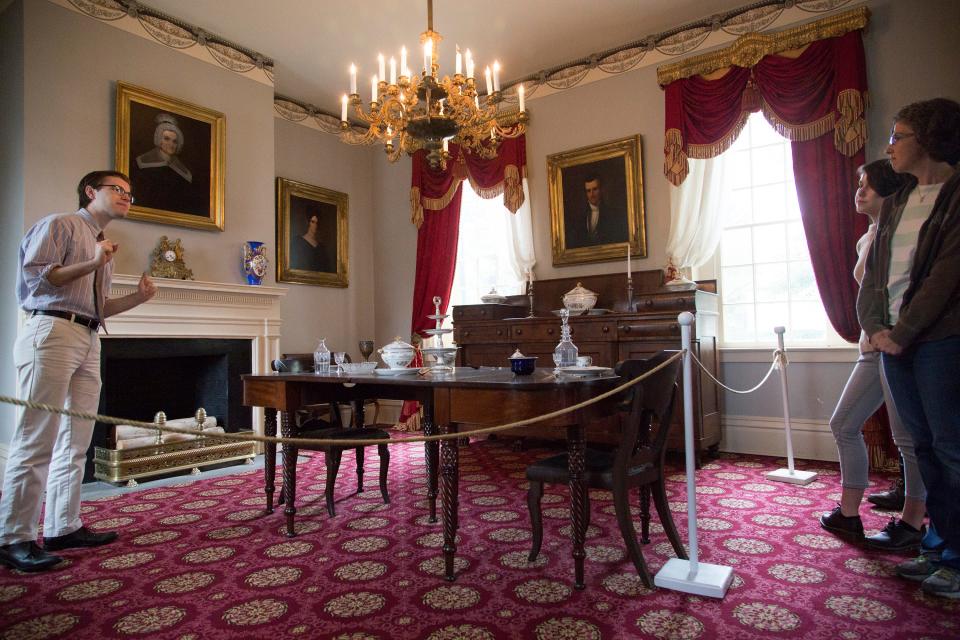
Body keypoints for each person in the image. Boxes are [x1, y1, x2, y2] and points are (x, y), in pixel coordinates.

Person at [0, 171, 158, 572]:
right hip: (51, 329)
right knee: (35, 438)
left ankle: (63, 526)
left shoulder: (102, 246)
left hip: (89, 336)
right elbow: (39, 277)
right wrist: (92, 260)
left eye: (129, 194)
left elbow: (100, 306)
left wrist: (138, 298)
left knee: (75, 440)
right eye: (117, 190)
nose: (126, 197)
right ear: (91, 192)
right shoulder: (61, 225)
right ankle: (13, 537)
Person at [858, 97, 960, 599]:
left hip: (938, 340)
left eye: (898, 136)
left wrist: (902, 333)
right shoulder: (899, 200)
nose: (890, 145)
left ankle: (957, 559)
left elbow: (946, 277)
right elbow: (876, 274)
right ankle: (938, 546)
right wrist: (875, 326)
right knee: (923, 449)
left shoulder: (956, 194)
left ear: (929, 138)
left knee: (951, 449)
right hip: (891, 341)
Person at [819, 159, 927, 552]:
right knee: (843, 423)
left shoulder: (908, 232)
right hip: (870, 345)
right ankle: (848, 514)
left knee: (908, 439)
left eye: (867, 185)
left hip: (899, 344)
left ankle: (912, 523)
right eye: (858, 185)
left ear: (889, 190)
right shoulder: (870, 235)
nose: (859, 192)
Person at [129, 113, 207, 216]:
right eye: (166, 139)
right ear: (159, 140)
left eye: (174, 141)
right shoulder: (141, 163)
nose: (171, 144)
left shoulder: (184, 172)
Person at [565, 174, 628, 249]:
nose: (592, 194)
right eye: (588, 191)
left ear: (601, 189)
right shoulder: (579, 217)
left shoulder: (613, 214)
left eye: (595, 189)